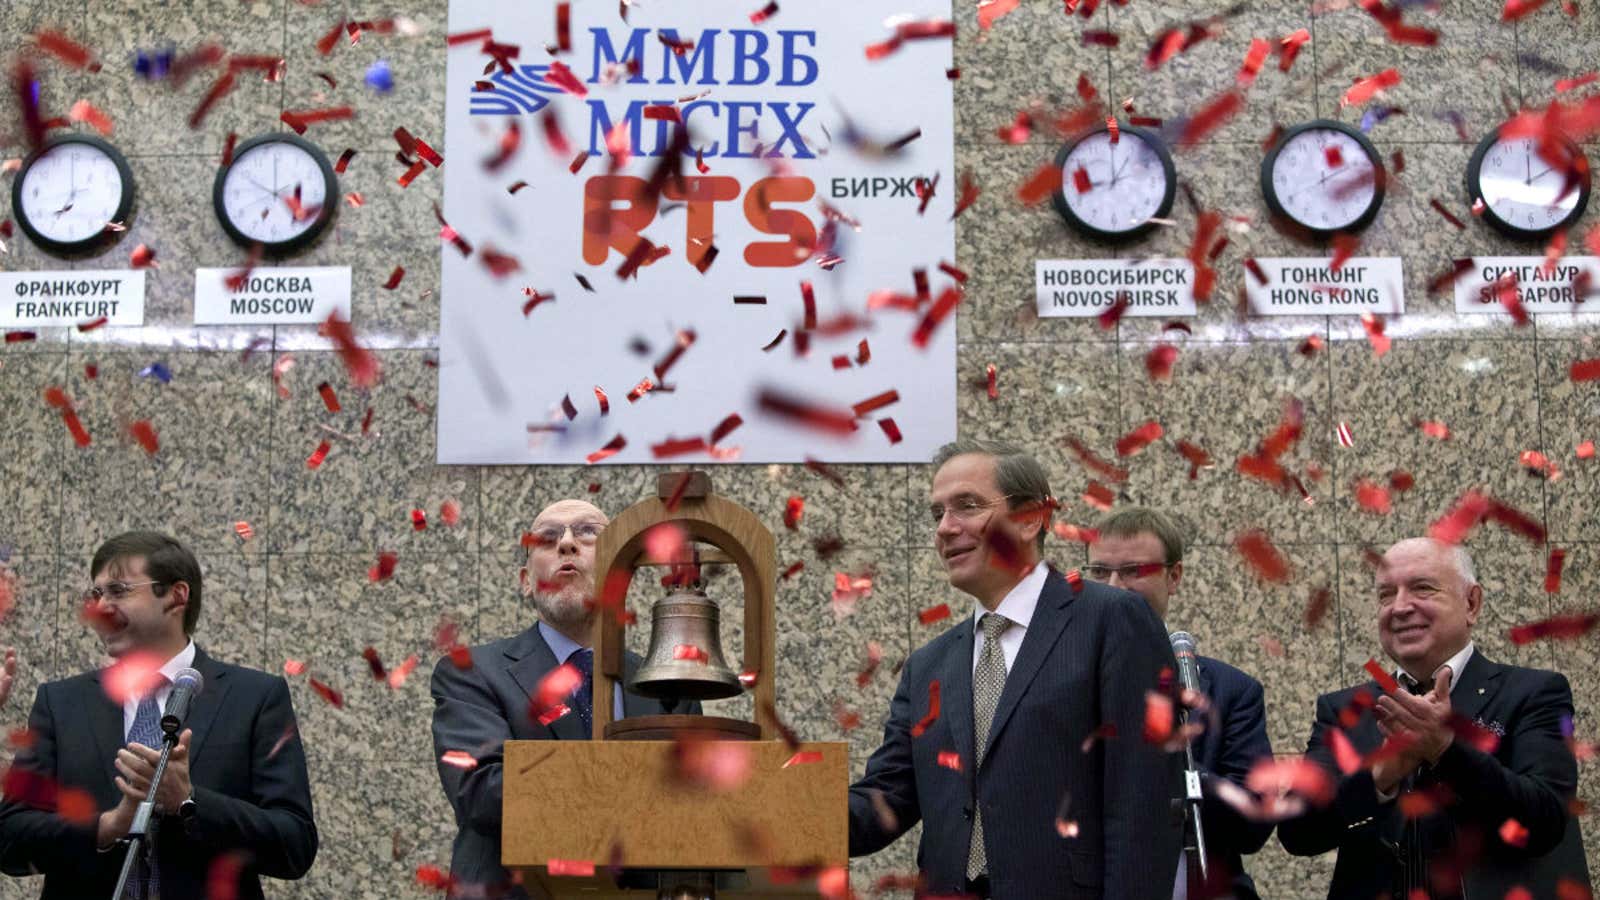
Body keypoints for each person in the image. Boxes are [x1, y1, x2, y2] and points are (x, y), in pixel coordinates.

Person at [848, 440, 1182, 898]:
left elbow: (1143, 803)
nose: (945, 528)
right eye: (936, 514)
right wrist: (765, 804)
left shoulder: (1111, 620)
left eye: (967, 505)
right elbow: (883, 801)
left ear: (1030, 519)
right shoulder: (928, 666)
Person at [0, 530, 317, 900]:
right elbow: (10, 839)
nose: (100, 607)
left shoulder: (256, 697)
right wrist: (106, 827)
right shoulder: (61, 702)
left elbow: (294, 846)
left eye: (118, 590)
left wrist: (188, 801)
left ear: (176, 596)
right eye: (96, 594)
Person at [1278, 537, 1590, 898]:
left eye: (1422, 588)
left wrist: (1446, 749)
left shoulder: (1532, 693)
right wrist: (1378, 778)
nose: (1399, 607)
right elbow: (1297, 833)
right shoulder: (1345, 708)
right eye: (1385, 595)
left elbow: (1547, 820)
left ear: (1472, 603)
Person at [430, 499, 699, 899]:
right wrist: (642, 783)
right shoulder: (472, 672)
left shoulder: (668, 689)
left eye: (589, 532)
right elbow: (484, 792)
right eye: (548, 538)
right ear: (525, 580)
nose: (567, 544)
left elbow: (699, 810)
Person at [1086, 507, 1274, 900]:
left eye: (1134, 571)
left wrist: (1174, 762)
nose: (1114, 587)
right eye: (1100, 572)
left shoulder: (1230, 690)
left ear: (1174, 577)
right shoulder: (1059, 684)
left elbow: (1253, 826)